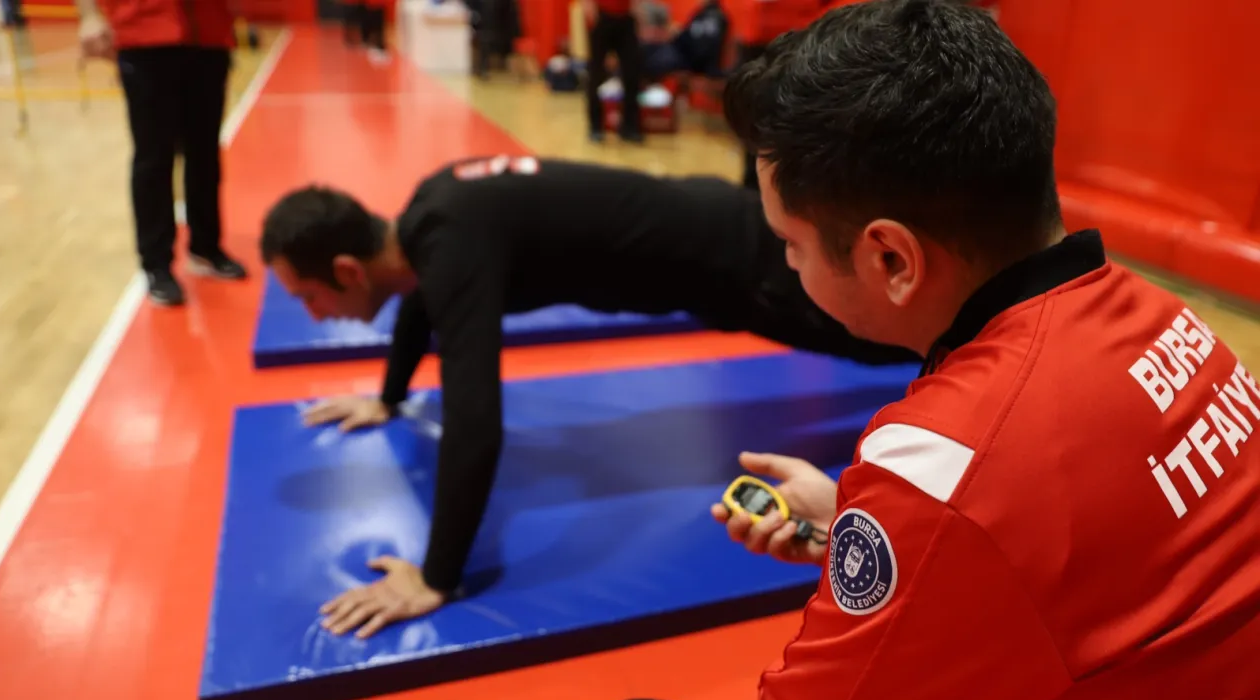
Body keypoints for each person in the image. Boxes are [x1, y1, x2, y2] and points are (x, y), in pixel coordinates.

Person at [598, 0, 1260, 700]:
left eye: (791, 243)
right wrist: (862, 525)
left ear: (891, 258)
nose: (786, 263)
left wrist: (905, 520)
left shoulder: (940, 467)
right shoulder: (1168, 319)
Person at [259, 156, 920, 640]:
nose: (313, 314)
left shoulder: (449, 244)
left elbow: (475, 423)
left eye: (308, 297)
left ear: (347, 270)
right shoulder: (432, 212)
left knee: (898, 341)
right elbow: (422, 299)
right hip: (711, 230)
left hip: (740, 261)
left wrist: (435, 578)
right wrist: (389, 397)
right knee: (895, 340)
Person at [76, 0, 248, 306]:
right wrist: (89, 15)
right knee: (153, 157)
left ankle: (206, 248)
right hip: (145, 33)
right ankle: (156, 264)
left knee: (205, 152)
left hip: (208, 33)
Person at [582, 0, 644, 142]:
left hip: (626, 17)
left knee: (632, 74)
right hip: (601, 15)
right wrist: (589, 6)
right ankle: (595, 127)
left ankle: (630, 127)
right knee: (596, 74)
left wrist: (637, 11)